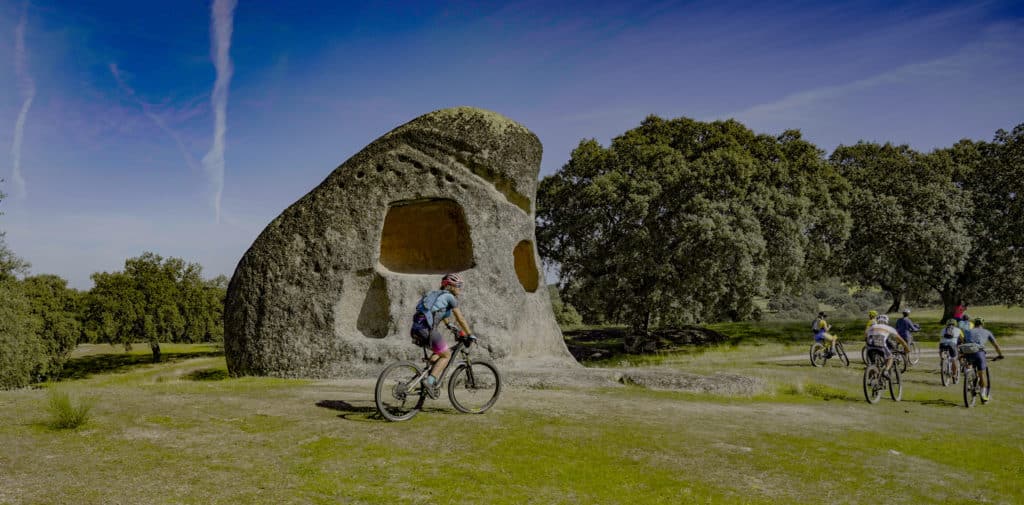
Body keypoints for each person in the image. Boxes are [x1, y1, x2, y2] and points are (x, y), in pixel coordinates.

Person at [409, 273, 476, 396]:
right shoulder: (450, 298)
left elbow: (440, 313)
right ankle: (429, 382)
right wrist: (470, 334)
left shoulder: (435, 295)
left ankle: (428, 373)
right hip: (427, 330)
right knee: (446, 355)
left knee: (438, 352)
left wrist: (450, 325)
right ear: (451, 286)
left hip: (416, 329)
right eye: (459, 285)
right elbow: (460, 318)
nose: (460, 288)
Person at [962, 317, 1005, 402]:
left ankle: (968, 375)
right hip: (979, 352)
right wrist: (1000, 355)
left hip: (967, 351)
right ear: (982, 324)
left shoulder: (968, 331)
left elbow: (964, 341)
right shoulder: (987, 332)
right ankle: (983, 395)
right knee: (981, 373)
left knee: (970, 364)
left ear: (974, 324)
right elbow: (995, 345)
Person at [938, 318, 963, 383]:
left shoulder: (943, 329)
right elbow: (962, 338)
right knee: (954, 358)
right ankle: (954, 375)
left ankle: (942, 361)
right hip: (952, 345)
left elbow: (940, 337)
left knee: (941, 349)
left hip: (943, 344)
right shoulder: (958, 330)